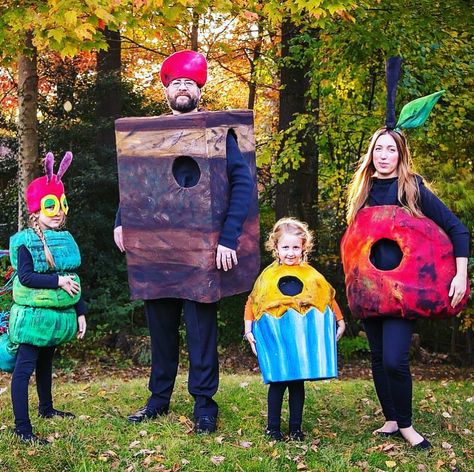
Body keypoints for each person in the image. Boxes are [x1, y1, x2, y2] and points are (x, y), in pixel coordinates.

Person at [114, 50, 254, 433]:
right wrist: (121, 221)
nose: (181, 88)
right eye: (175, 82)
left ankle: (204, 405)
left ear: (198, 90)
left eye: (188, 82)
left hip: (202, 249)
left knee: (200, 329)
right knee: (160, 327)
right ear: (165, 90)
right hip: (157, 245)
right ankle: (158, 399)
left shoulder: (216, 133)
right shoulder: (149, 135)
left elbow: (241, 185)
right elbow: (135, 181)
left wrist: (228, 238)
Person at [343, 127, 469, 449]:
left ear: (401, 154)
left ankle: (407, 426)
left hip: (403, 290)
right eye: (378, 150)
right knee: (377, 356)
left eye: (391, 150)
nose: (384, 156)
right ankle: (390, 419)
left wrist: (459, 274)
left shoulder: (412, 187)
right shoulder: (363, 189)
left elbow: (457, 229)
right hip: (371, 289)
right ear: (371, 154)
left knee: (394, 359)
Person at [8, 151, 87, 444]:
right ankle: (22, 428)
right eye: (50, 206)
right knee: (24, 368)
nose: (57, 212)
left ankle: (46, 408)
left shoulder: (64, 241)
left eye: (61, 205)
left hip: (54, 319)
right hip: (31, 320)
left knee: (46, 363)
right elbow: (26, 276)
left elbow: (74, 279)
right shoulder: (26, 242)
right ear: (35, 211)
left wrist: (80, 311)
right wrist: (57, 280)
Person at [244, 217, 345, 441]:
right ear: (276, 248)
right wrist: (248, 330)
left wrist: (340, 320)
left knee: (297, 385)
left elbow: (327, 297)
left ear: (303, 248)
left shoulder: (312, 276)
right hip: (279, 342)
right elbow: (253, 302)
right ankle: (273, 428)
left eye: (296, 247)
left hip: (300, 344)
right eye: (285, 247)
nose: (290, 252)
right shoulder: (267, 277)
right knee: (278, 384)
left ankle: (296, 428)